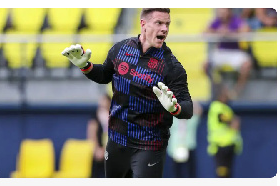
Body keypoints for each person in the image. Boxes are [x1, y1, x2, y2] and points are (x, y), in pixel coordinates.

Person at [61, 8, 193, 178]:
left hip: (149, 145)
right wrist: (86, 67)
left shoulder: (172, 67)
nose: (165, 29)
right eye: (159, 23)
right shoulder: (121, 49)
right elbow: (104, 75)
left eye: (167, 24)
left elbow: (188, 108)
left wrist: (175, 108)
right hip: (117, 141)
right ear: (143, 24)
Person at [203, 8, 252, 98]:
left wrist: (230, 33)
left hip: (235, 52)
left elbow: (246, 30)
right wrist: (217, 32)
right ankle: (222, 90)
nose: (222, 13)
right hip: (221, 52)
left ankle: (235, 91)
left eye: (224, 11)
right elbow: (204, 33)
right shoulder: (217, 21)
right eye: (220, 11)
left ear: (229, 11)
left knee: (247, 65)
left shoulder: (236, 20)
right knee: (205, 65)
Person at [207, 84, 243, 178]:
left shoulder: (226, 107)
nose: (227, 95)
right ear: (220, 95)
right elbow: (223, 118)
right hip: (220, 145)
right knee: (222, 172)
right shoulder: (216, 106)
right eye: (225, 93)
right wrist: (233, 120)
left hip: (229, 144)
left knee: (228, 172)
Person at [167, 101, 203, 178]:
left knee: (191, 171)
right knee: (177, 171)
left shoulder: (191, 119)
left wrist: (192, 102)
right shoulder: (173, 119)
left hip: (189, 146)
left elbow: (199, 111)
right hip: (176, 147)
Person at [87, 94, 111, 178]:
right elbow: (91, 133)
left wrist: (105, 149)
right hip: (98, 152)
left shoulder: (114, 117)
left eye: (105, 101)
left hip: (110, 151)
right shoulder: (95, 117)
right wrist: (97, 150)